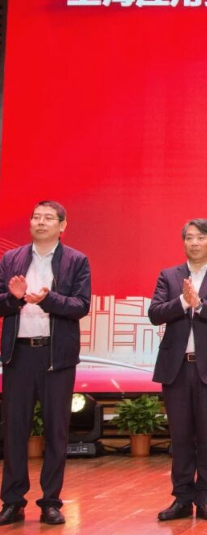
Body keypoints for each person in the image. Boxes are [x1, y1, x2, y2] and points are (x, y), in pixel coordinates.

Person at [0, 201, 91, 526]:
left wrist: (47, 299)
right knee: (15, 430)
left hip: (57, 357)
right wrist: (14, 298)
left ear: (62, 226)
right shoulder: (11, 259)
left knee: (56, 431)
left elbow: (81, 305)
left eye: (48, 218)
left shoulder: (76, 260)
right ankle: (12, 502)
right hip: (19, 355)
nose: (41, 222)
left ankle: (51, 501)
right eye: (36, 217)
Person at [149, 219, 207, 522]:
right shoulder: (169, 275)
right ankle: (181, 498)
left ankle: (205, 497)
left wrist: (200, 305)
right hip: (176, 368)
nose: (194, 243)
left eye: (200, 237)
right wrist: (182, 301)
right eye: (189, 237)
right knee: (180, 436)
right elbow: (155, 313)